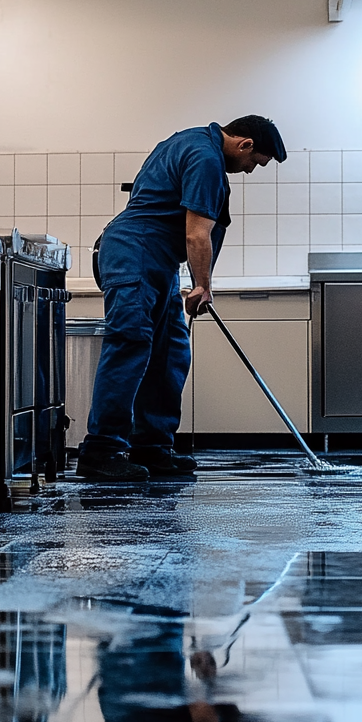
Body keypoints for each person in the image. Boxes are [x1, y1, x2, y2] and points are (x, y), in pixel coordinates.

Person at [78, 116, 286, 482]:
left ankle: (152, 447)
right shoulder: (205, 158)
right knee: (130, 345)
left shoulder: (187, 141)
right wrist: (203, 285)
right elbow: (196, 234)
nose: (250, 171)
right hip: (136, 253)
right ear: (245, 145)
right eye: (256, 163)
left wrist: (194, 282)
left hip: (153, 259)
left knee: (171, 351)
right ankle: (102, 450)